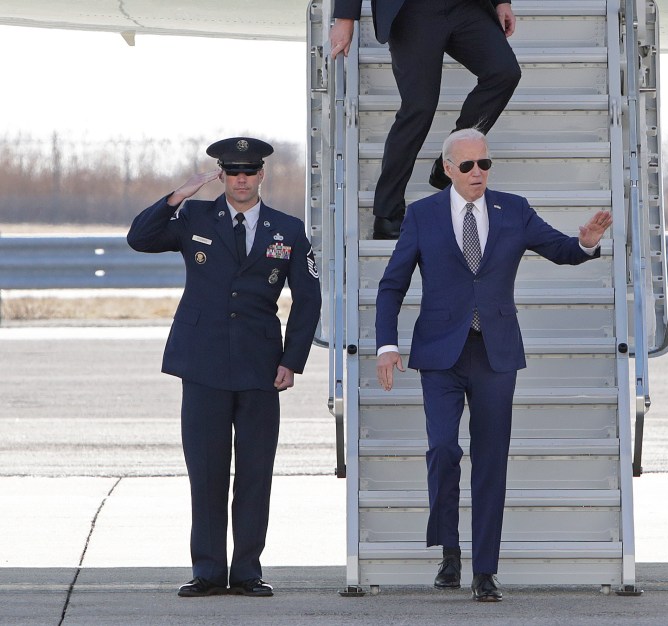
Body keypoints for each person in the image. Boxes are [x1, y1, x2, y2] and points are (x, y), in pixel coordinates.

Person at [375, 128, 612, 601]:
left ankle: (484, 569)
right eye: (467, 166)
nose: (478, 172)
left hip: (494, 351)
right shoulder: (423, 215)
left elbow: (561, 249)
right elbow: (391, 284)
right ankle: (449, 549)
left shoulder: (514, 209)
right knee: (443, 451)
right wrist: (387, 345)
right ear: (447, 170)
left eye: (484, 163)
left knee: (490, 460)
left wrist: (585, 243)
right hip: (440, 352)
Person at [127, 137, 322, 598]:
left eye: (248, 172)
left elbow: (308, 301)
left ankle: (248, 571)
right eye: (232, 172)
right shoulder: (194, 218)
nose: (240, 179)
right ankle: (209, 571)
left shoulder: (287, 229)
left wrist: (291, 361)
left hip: (260, 367)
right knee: (208, 472)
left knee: (255, 473)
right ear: (220, 175)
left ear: (261, 176)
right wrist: (181, 193)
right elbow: (139, 237)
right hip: (203, 363)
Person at [329, 0, 522, 240]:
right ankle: (388, 212)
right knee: (418, 107)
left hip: (467, 6)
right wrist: (345, 17)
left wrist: (501, 2)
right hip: (412, 9)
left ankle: (450, 162)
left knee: (504, 72)